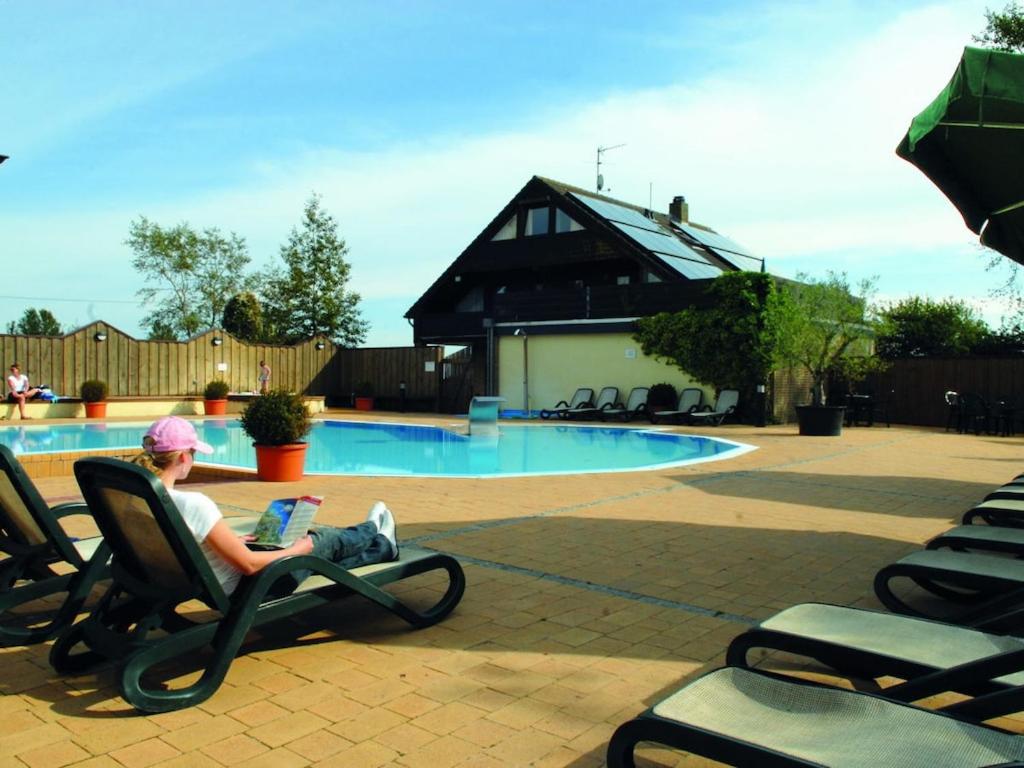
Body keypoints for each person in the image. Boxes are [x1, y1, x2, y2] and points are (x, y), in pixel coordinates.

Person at [131, 416, 398, 597]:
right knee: (320, 541)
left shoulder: (137, 498)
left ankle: (381, 545)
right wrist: (298, 549)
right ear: (181, 456)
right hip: (246, 588)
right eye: (193, 453)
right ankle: (373, 530)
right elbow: (248, 565)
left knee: (314, 553)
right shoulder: (194, 504)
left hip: (193, 581)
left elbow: (181, 540)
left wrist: (227, 541)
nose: (194, 459)